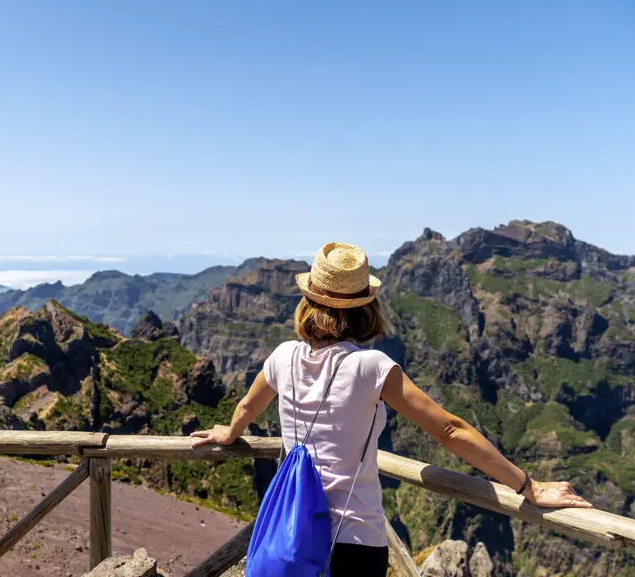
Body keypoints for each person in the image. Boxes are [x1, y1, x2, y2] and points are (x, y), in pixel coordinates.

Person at [191, 242, 592, 577]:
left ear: (308, 301)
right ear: (366, 308)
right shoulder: (371, 367)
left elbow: (248, 404)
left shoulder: (282, 356)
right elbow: (449, 430)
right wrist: (527, 486)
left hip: (290, 536)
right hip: (354, 541)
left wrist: (229, 432)